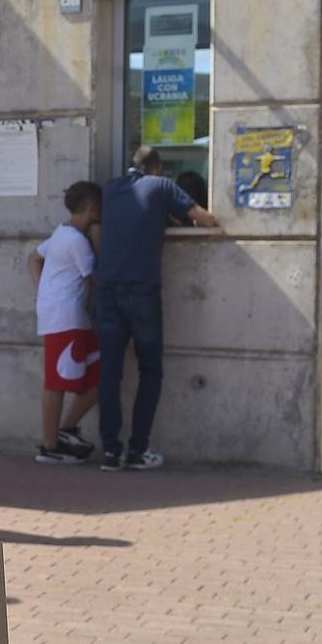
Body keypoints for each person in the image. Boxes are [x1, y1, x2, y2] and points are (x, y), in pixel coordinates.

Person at [96, 146, 218, 471]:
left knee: (109, 372)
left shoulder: (110, 188)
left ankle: (109, 451)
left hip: (106, 289)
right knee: (150, 369)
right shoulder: (161, 186)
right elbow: (204, 218)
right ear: (157, 168)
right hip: (141, 290)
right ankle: (138, 450)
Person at [27, 180, 102, 463]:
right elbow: (94, 276)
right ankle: (49, 446)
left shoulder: (61, 233)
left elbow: (33, 258)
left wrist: (42, 290)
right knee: (56, 383)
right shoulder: (77, 240)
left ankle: (66, 429)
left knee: (98, 377)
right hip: (65, 317)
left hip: (69, 316)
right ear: (93, 209)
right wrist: (97, 241)